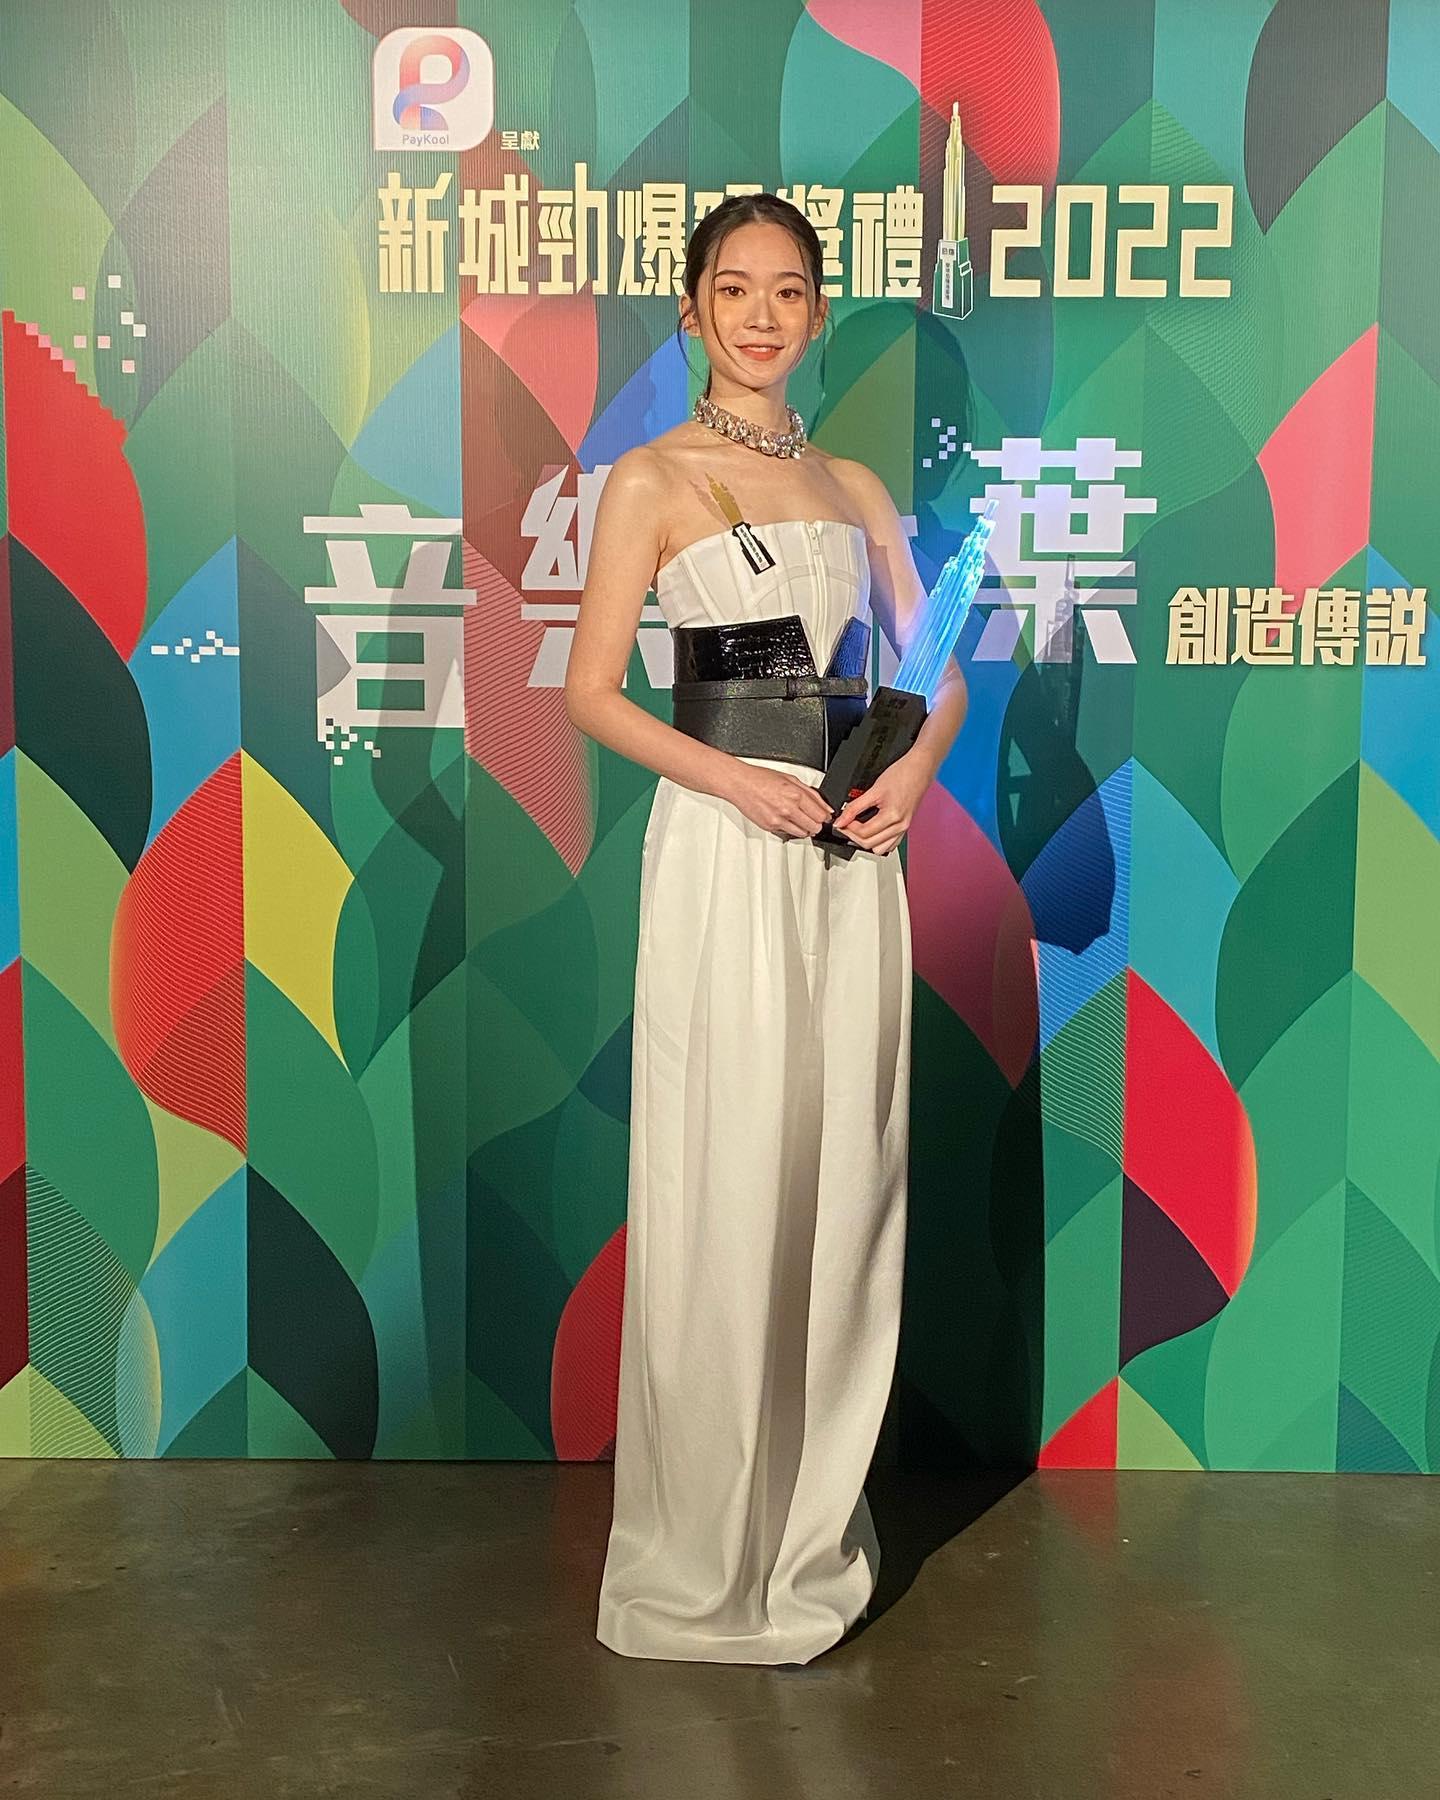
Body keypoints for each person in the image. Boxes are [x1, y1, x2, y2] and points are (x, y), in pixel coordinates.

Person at [564, 192, 969, 1665]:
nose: (759, 314)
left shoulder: (855, 487)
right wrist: (733, 781)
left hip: (852, 862)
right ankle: (698, 1556)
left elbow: (935, 669)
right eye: (732, 289)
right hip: (725, 859)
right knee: (724, 1181)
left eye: (788, 290)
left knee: (841, 1179)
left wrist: (911, 777)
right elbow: (592, 692)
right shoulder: (651, 479)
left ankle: (807, 1547)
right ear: (692, 311)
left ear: (817, 314)